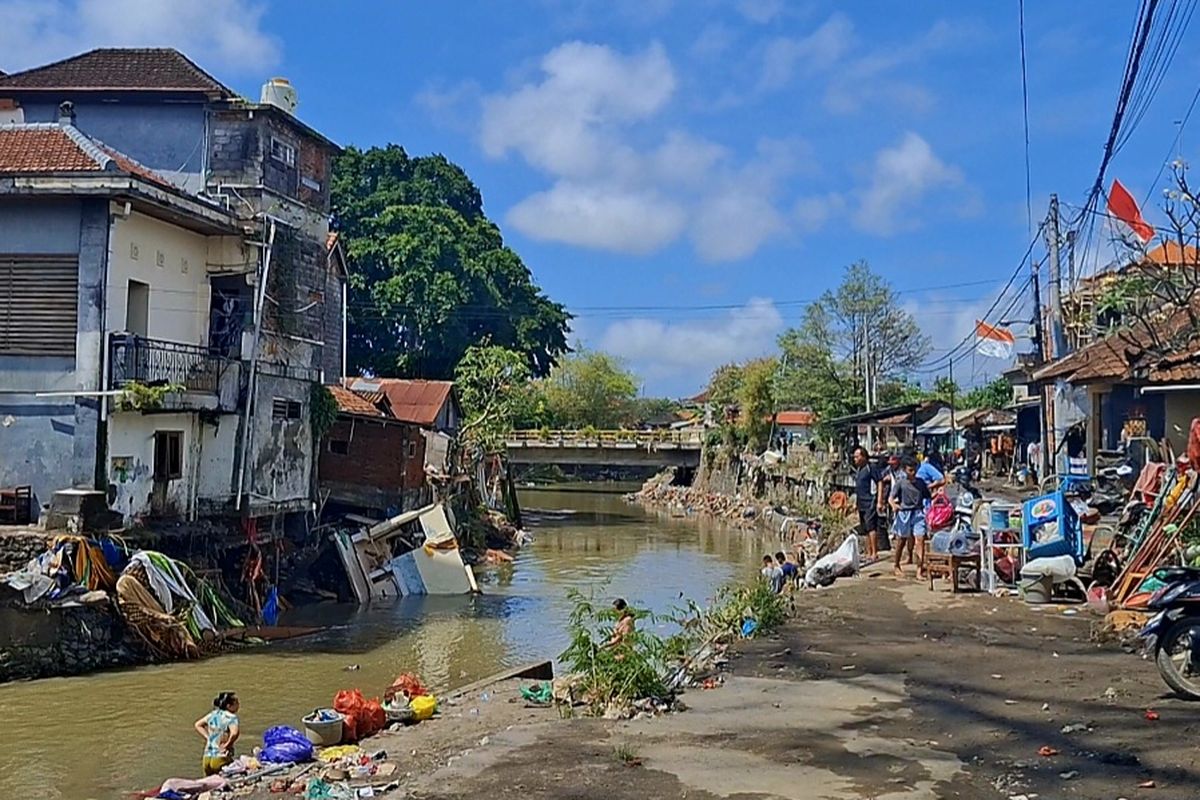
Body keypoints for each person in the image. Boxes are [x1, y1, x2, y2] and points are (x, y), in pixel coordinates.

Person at [889, 456, 932, 579]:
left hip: (918, 513)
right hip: (904, 514)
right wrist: (894, 505)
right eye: (910, 470)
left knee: (920, 540)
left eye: (914, 470)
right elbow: (891, 498)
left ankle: (919, 569)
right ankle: (896, 565)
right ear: (904, 470)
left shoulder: (920, 483)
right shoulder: (901, 483)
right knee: (901, 541)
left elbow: (928, 496)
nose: (912, 473)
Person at [851, 446, 885, 561]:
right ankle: (868, 551)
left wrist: (879, 501)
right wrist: (855, 503)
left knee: (871, 527)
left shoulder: (871, 467)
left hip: (870, 501)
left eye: (857, 456)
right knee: (864, 528)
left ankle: (874, 552)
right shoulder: (859, 470)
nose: (855, 459)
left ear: (863, 456)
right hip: (861, 502)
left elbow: (880, 482)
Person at [195, 691, 240, 776]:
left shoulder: (213, 714)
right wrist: (227, 744)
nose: (238, 705)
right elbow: (234, 733)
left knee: (209, 784)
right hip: (220, 757)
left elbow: (198, 725)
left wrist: (208, 737)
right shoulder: (231, 717)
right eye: (236, 703)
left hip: (207, 756)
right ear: (229, 706)